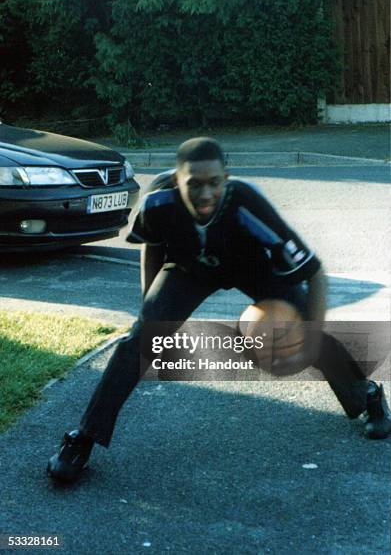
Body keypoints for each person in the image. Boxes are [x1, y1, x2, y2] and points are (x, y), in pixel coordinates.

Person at [48, 137, 391, 483]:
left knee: (305, 331)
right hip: (189, 268)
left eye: (214, 183)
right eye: (194, 184)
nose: (206, 193)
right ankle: (84, 438)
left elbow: (314, 272)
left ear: (226, 178)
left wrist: (311, 337)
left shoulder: (247, 202)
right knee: (139, 340)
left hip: (253, 267)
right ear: (177, 181)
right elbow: (152, 246)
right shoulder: (158, 200)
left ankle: (369, 397)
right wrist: (150, 309)